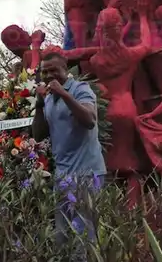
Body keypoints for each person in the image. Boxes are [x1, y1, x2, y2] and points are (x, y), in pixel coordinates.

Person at [32, 51, 106, 260]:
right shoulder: (48, 98)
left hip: (87, 172)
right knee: (62, 235)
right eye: (45, 72)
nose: (48, 75)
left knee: (85, 235)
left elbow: (90, 120)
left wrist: (64, 94)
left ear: (65, 70)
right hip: (63, 175)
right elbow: (39, 135)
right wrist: (39, 103)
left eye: (54, 70)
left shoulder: (81, 89)